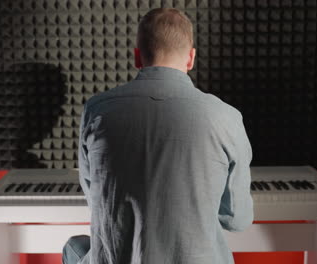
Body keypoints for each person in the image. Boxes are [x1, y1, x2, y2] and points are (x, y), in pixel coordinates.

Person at [63, 8, 253, 264]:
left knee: (73, 247)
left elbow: (96, 199)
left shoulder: (97, 110)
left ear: (137, 57)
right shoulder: (227, 117)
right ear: (191, 59)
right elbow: (237, 220)